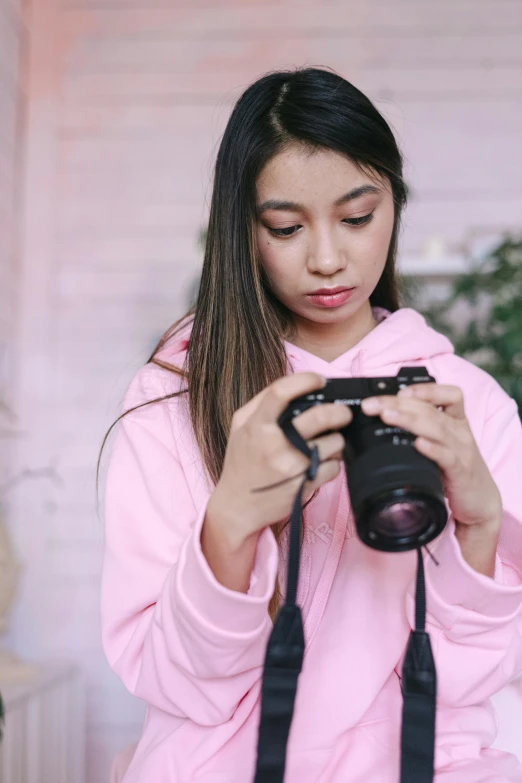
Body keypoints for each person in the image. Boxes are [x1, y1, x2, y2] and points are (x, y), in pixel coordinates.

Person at [100, 67, 522, 782]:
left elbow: (475, 681)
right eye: (287, 227)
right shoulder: (169, 401)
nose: (328, 257)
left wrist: (481, 527)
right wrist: (229, 525)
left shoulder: (468, 404)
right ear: (243, 228)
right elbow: (177, 683)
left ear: (395, 203)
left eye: (358, 217)